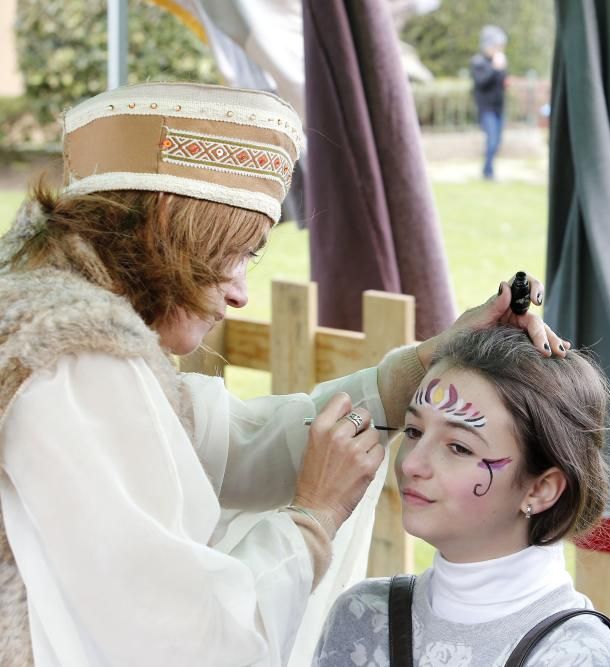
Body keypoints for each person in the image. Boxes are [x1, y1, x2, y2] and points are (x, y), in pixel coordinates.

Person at [0, 82, 567, 666]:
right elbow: (182, 638)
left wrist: (416, 371)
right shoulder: (75, 363)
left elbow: (223, 446)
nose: (243, 292)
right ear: (174, 224)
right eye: (239, 251)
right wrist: (313, 517)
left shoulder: (64, 340)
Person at [312, 326, 610, 666]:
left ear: (540, 489)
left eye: (458, 447)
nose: (412, 463)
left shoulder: (576, 657)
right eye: (414, 431)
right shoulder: (364, 619)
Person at [471, 25, 508, 181]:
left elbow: (501, 84)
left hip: (499, 108)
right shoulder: (478, 62)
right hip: (486, 108)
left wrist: (501, 69)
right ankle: (488, 173)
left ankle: (489, 170)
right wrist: (494, 68)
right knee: (491, 140)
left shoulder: (498, 62)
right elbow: (481, 82)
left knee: (497, 141)